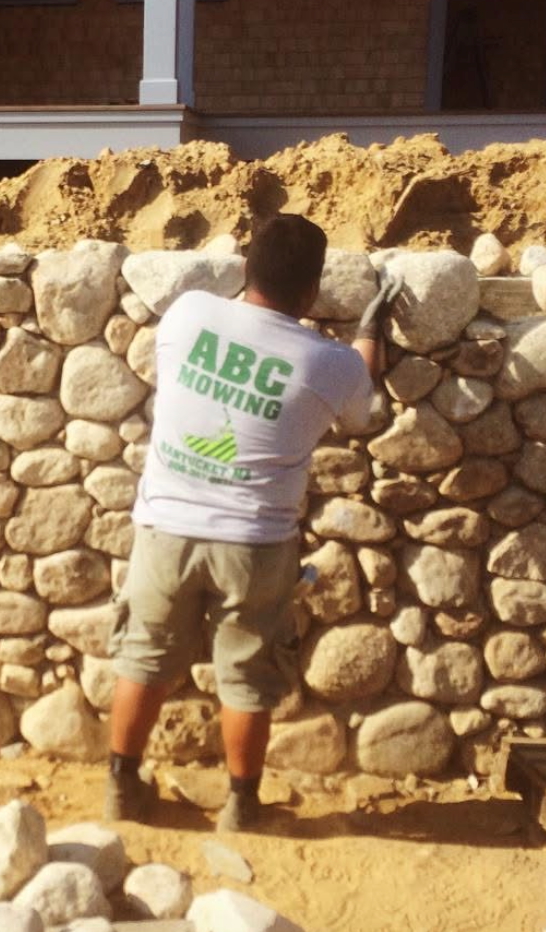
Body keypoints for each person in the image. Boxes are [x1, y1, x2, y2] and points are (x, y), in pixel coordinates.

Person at [104, 213, 399, 833]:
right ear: (312, 293)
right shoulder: (330, 364)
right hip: (255, 546)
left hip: (167, 531)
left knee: (144, 660)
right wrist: (368, 333)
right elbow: (358, 399)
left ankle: (121, 790)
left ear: (245, 270)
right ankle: (240, 805)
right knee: (245, 675)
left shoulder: (187, 316)